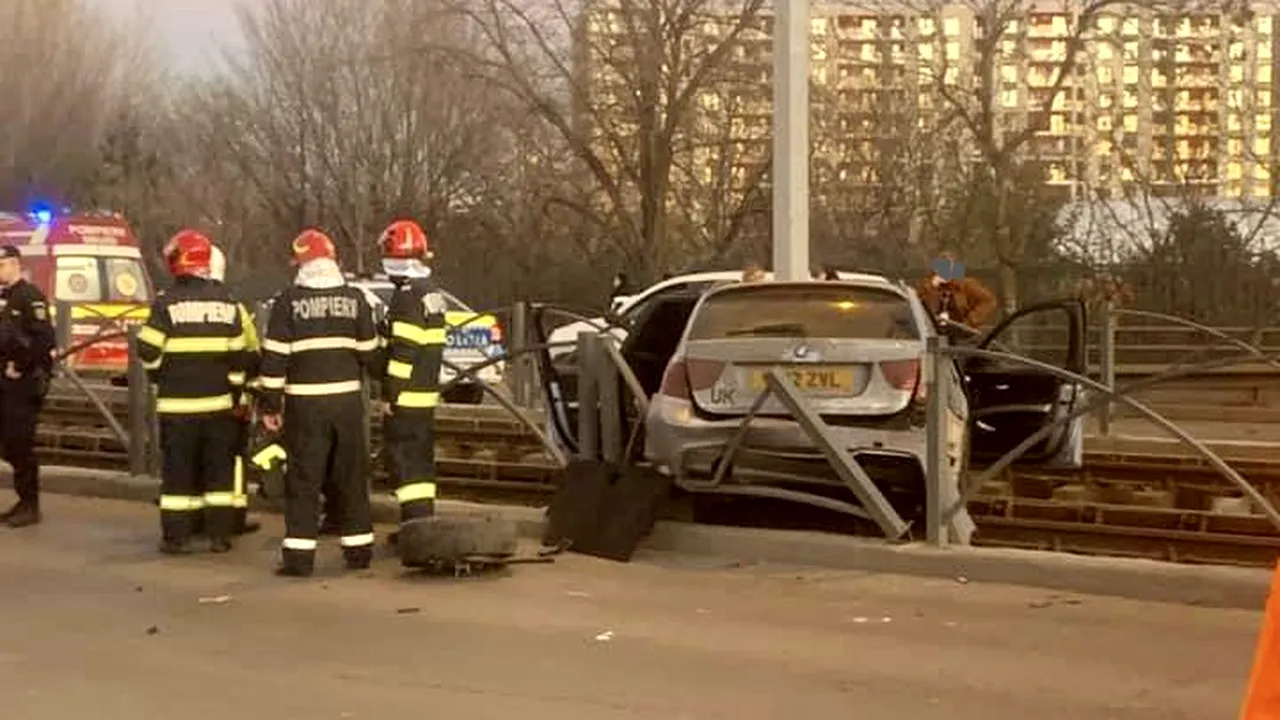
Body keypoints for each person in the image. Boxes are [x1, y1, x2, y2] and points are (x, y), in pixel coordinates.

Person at [257, 229, 380, 577]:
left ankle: (299, 557)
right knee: (351, 476)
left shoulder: (287, 302)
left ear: (302, 263)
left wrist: (270, 406)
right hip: (346, 402)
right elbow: (370, 354)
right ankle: (359, 552)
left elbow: (274, 360)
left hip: (305, 405)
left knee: (304, 480)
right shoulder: (355, 299)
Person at [136, 230, 252, 554]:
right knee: (218, 472)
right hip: (218, 407)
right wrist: (234, 391)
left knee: (178, 475)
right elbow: (240, 356)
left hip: (177, 407)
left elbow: (147, 350)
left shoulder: (166, 303)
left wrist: (160, 374)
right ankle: (220, 536)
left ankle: (176, 537)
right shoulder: (228, 303)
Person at [377, 220, 447, 535]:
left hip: (406, 397)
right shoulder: (430, 292)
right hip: (425, 393)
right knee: (419, 466)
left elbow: (403, 354)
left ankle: (413, 531)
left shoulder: (406, 297)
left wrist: (391, 395)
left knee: (405, 466)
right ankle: (422, 525)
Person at [0, 245, 55, 527]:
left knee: (20, 442)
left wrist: (20, 366)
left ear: (15, 265)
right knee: (9, 443)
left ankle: (30, 504)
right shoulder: (5, 298)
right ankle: (22, 501)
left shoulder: (29, 296)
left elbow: (45, 340)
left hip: (25, 382)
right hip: (6, 382)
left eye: (3, 265)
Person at [208, 245, 260, 536]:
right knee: (233, 458)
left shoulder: (170, 303)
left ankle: (191, 520)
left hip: (182, 401)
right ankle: (234, 515)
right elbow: (250, 352)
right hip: (227, 398)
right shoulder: (234, 308)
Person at [916, 252, 999, 331]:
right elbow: (922, 308)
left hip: (963, 331)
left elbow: (989, 300)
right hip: (935, 331)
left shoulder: (966, 284)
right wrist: (932, 287)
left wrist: (970, 321)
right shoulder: (928, 285)